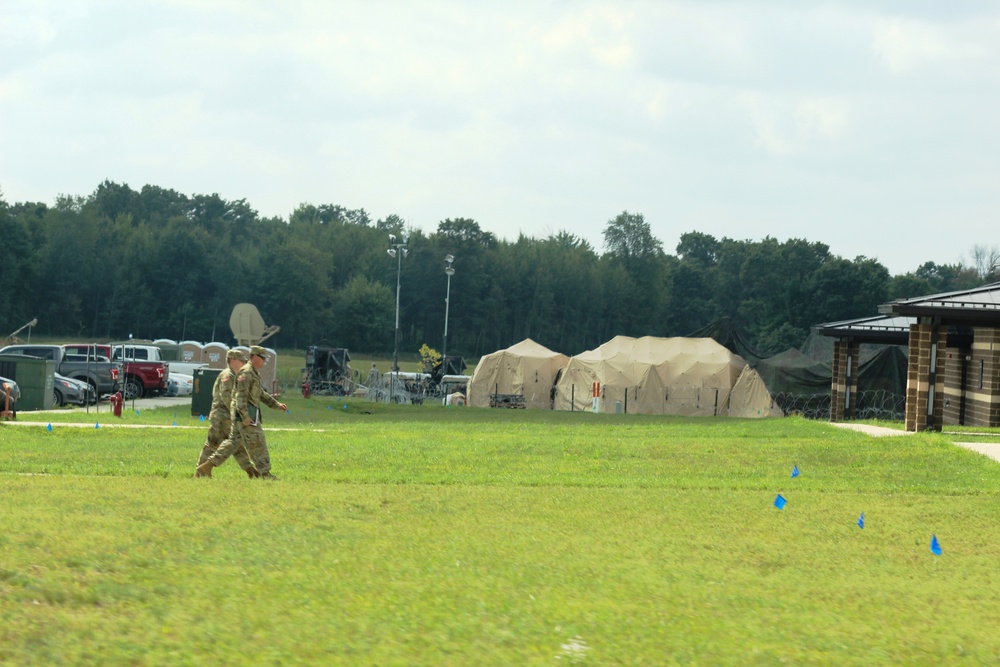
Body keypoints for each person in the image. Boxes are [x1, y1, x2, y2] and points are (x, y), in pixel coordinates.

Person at [195, 345, 288, 479]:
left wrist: (276, 405)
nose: (264, 361)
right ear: (255, 357)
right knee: (257, 442)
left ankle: (207, 466)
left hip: (238, 415)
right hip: (238, 416)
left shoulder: (252, 372)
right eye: (262, 358)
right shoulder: (245, 373)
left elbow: (260, 393)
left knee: (234, 444)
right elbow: (239, 396)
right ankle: (264, 473)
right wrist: (244, 416)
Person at [196, 349, 260, 478]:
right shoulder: (228, 376)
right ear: (233, 361)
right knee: (215, 444)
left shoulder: (235, 375)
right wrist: (240, 414)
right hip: (222, 416)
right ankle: (201, 471)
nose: (244, 364)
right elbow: (227, 398)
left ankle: (251, 472)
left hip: (227, 416)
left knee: (235, 444)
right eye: (242, 361)